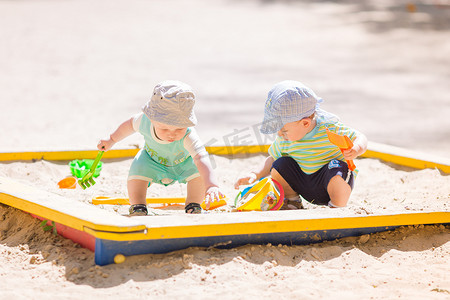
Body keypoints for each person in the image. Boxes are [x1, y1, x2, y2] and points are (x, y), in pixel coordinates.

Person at [98, 80, 224, 216]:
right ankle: (138, 204)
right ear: (151, 118)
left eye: (179, 128)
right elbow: (128, 125)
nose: (172, 133)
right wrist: (111, 140)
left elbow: (201, 157)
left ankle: (193, 204)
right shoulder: (144, 120)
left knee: (197, 172)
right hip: (152, 160)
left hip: (183, 163)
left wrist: (211, 185)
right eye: (164, 128)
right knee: (138, 167)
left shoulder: (188, 135)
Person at [235, 80, 367, 209]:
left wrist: (357, 148)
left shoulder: (330, 128)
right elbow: (272, 159)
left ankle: (336, 206)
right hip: (304, 184)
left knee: (337, 167)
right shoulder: (284, 140)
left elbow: (360, 137)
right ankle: (292, 201)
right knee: (280, 164)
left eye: (284, 130)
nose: (280, 134)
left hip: (330, 183)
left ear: (305, 123)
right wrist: (255, 174)